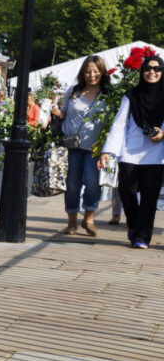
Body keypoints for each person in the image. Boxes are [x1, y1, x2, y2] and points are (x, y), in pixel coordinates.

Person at [99, 54, 164, 248]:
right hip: (130, 151)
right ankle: (134, 225)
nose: (151, 72)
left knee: (149, 197)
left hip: (156, 153)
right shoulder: (131, 95)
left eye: (157, 69)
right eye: (147, 68)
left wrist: (162, 134)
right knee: (126, 190)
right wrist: (108, 151)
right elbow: (119, 124)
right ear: (142, 71)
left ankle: (142, 237)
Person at [49, 56, 110, 236]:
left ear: (102, 73)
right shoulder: (73, 92)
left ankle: (89, 218)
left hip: (95, 148)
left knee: (93, 184)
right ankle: (72, 222)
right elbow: (64, 114)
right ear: (83, 73)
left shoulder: (108, 94)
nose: (92, 75)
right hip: (72, 145)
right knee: (73, 184)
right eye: (88, 71)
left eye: (96, 72)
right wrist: (56, 113)